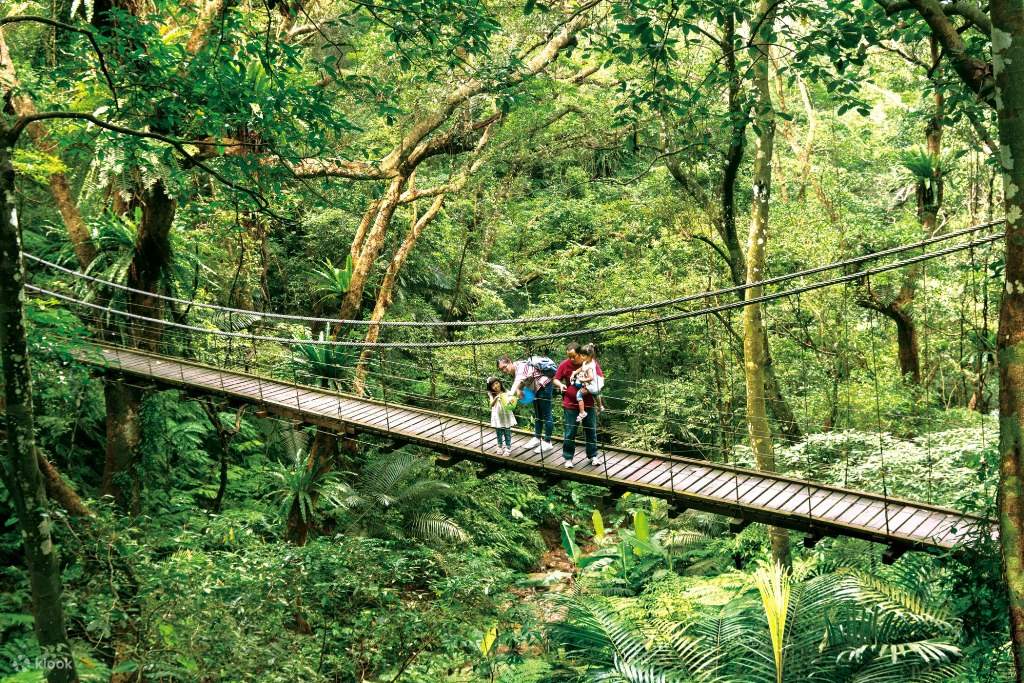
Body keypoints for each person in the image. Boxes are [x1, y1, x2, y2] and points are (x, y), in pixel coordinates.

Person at [554, 342, 604, 468]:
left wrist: (592, 387)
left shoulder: (590, 363)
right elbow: (556, 379)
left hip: (588, 403)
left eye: (573, 356)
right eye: (569, 356)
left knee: (590, 430)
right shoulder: (564, 365)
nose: (571, 359)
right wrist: (560, 385)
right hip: (570, 404)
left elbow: (600, 378)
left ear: (580, 354)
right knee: (570, 432)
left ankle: (593, 456)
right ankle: (568, 458)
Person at [496, 355, 554, 453]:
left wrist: (510, 395)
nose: (504, 370)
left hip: (544, 385)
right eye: (501, 369)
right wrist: (519, 390)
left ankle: (548, 442)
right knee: (538, 414)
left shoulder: (520, 366)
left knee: (546, 415)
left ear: (510, 362)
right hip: (535, 388)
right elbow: (524, 380)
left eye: (504, 367)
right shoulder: (516, 369)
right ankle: (537, 438)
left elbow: (518, 381)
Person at [570, 343, 605, 422]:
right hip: (595, 385)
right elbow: (582, 368)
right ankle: (600, 407)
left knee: (579, 395)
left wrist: (582, 380)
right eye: (581, 355)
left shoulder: (590, 367)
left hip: (591, 385)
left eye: (583, 355)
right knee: (596, 394)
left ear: (589, 356)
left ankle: (582, 412)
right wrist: (575, 372)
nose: (581, 357)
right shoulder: (587, 362)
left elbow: (591, 377)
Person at [486, 376, 516, 456]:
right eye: (493, 385)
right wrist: (496, 397)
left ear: (499, 383)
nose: (496, 386)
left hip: (506, 415)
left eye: (496, 383)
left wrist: (510, 398)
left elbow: (512, 400)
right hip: (497, 416)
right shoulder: (492, 394)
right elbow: (491, 405)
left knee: (507, 432)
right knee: (499, 432)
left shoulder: (506, 391)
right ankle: (499, 446)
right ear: (491, 388)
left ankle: (508, 448)